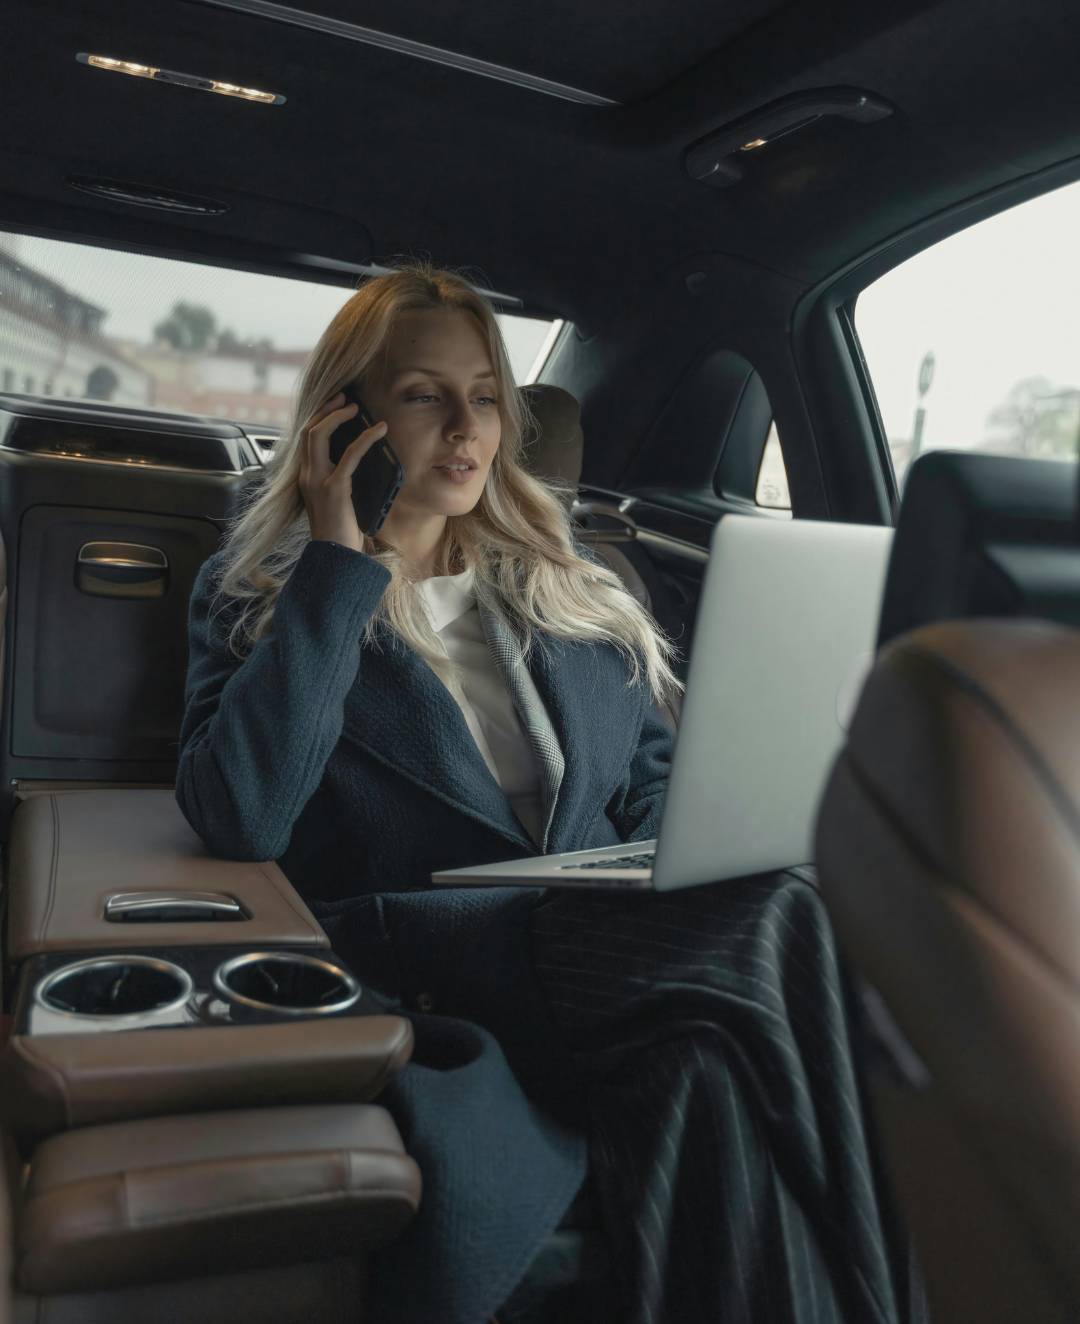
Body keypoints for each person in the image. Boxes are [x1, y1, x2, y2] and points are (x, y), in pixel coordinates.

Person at [177, 265, 919, 1324]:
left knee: (712, 1064)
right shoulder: (263, 593)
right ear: (347, 419)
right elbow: (242, 812)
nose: (465, 426)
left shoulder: (571, 583)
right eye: (424, 395)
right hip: (441, 950)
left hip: (608, 939)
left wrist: (666, 862)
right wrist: (340, 565)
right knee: (783, 916)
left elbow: (657, 779)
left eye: (485, 395)